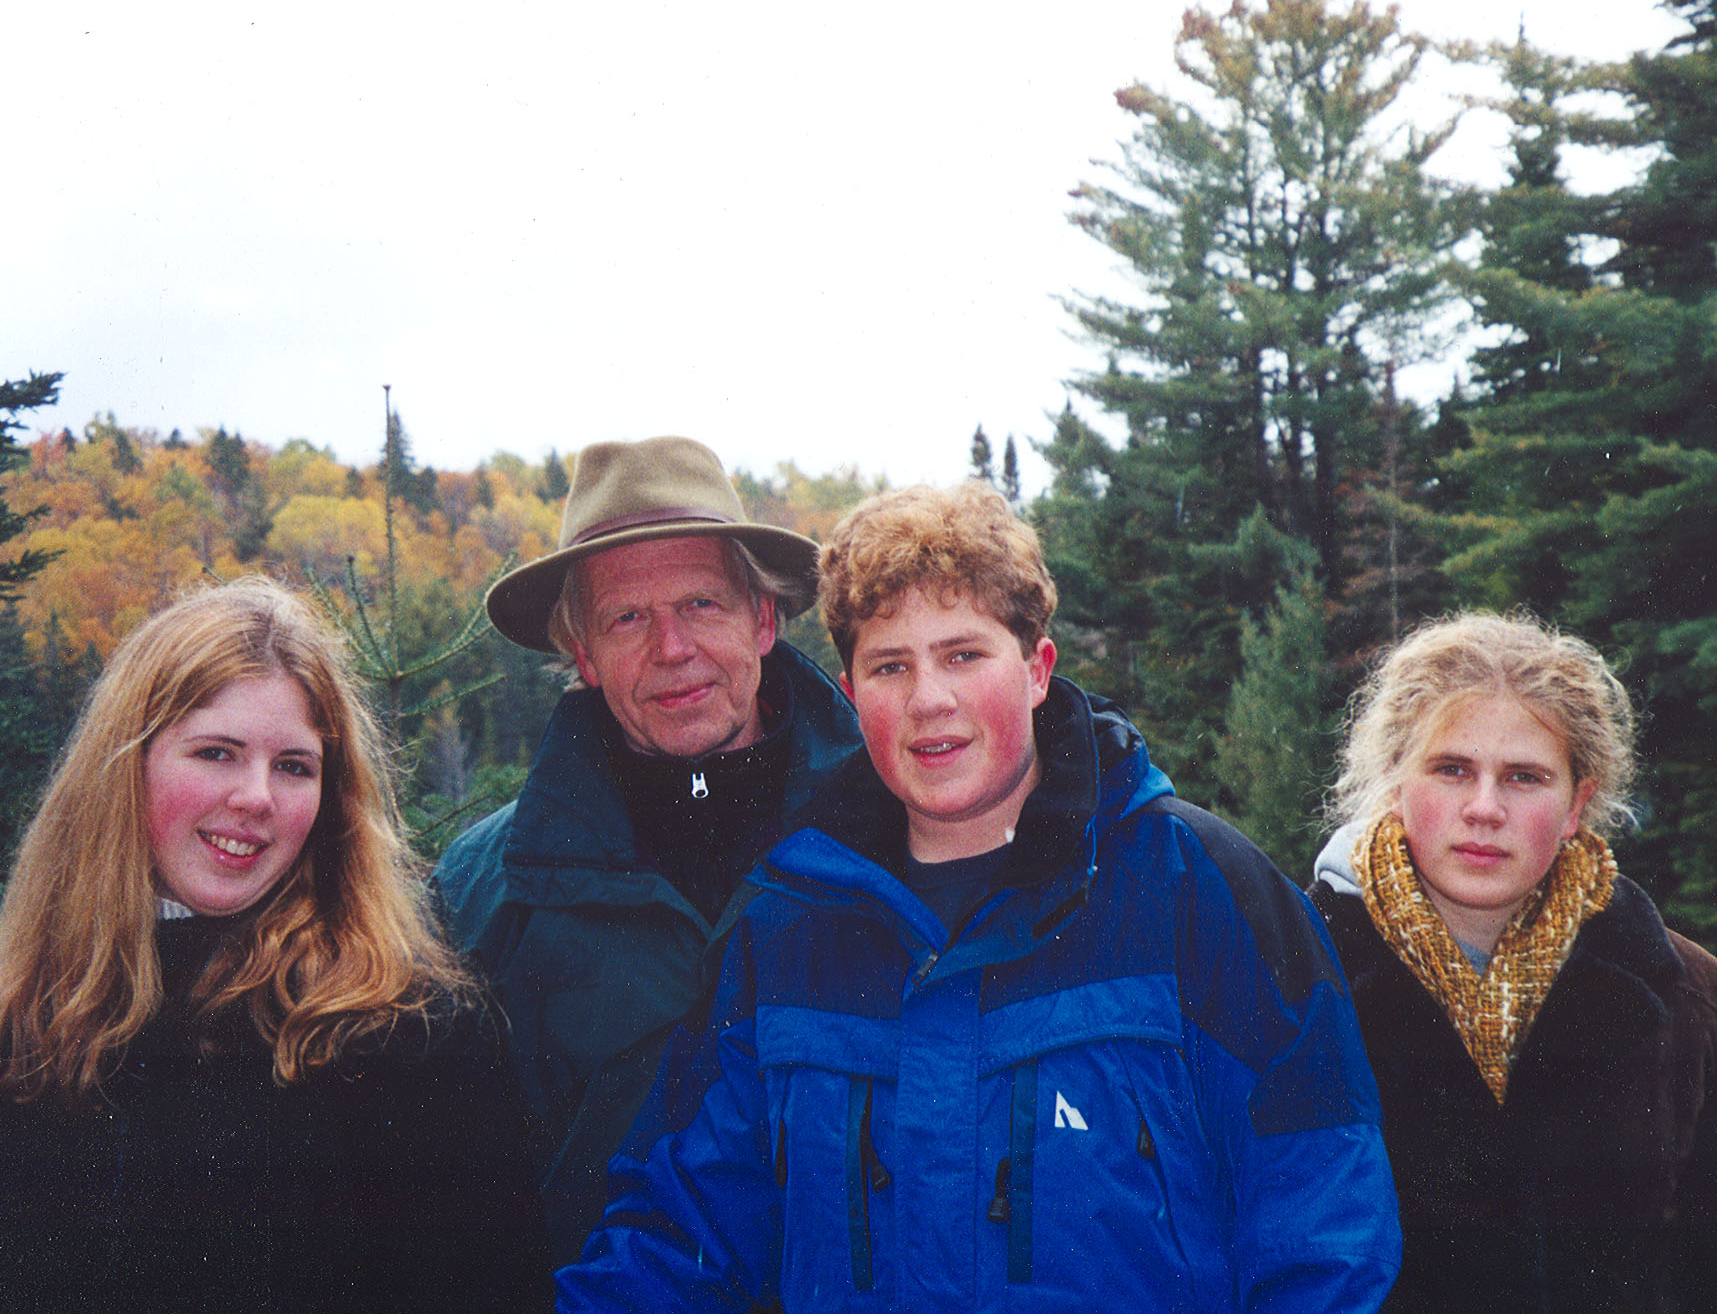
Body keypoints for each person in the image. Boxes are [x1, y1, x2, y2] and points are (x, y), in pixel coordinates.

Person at [557, 482, 1400, 1313]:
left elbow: (1322, 1221)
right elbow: (676, 1230)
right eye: (890, 666)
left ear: (1036, 670)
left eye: (963, 654)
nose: (930, 700)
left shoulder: (1196, 890)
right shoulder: (785, 926)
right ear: (852, 699)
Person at [0, 577, 543, 1313]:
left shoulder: (402, 1031)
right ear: (123, 766)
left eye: (294, 766)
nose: (257, 797)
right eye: (216, 753)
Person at [432, 435, 863, 1268]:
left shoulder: (890, 830)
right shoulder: (485, 890)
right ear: (584, 657)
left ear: (763, 618)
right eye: (628, 618)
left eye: (702, 604)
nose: (672, 649)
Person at [1308, 611, 1717, 1312]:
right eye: (1451, 769)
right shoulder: (1290, 979)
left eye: (1523, 777)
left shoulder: (1687, 996)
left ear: (1574, 804)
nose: (1483, 808)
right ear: (1395, 781)